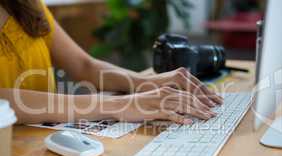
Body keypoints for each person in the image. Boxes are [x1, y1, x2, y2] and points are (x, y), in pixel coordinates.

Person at [0, 0, 222, 125]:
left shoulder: (27, 4)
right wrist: (121, 105)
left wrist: (147, 83)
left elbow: (83, 65)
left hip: (44, 139)